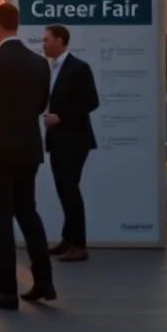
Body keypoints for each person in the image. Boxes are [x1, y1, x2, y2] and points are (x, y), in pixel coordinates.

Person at [0, 3, 55, 309]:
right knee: (28, 214)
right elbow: (42, 104)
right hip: (28, 150)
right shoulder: (39, 63)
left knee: (1, 220)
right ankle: (44, 281)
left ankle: (6, 290)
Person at [42, 24, 99, 263]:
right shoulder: (50, 68)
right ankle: (68, 238)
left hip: (75, 140)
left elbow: (91, 102)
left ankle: (79, 244)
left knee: (70, 189)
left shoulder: (79, 68)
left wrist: (61, 118)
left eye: (46, 39)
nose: (43, 43)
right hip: (57, 140)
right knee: (63, 190)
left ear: (60, 40)